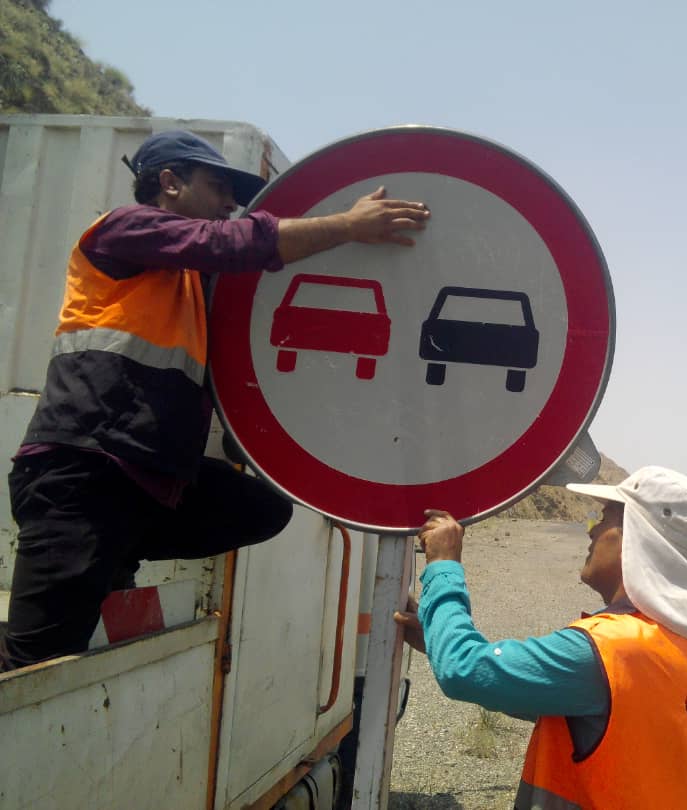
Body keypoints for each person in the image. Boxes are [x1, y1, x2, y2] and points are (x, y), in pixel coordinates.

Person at [1, 130, 430, 672]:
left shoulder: (187, 290)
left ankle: (118, 547)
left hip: (146, 482)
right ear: (168, 183)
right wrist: (347, 226)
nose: (230, 202)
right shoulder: (119, 230)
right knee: (35, 673)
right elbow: (231, 244)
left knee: (262, 508)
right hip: (83, 472)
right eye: (217, 186)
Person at [397, 466, 687, 809]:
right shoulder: (678, 641)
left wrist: (443, 565)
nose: (591, 531)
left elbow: (463, 671)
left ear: (636, 536)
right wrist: (439, 638)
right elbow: (600, 713)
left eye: (603, 518)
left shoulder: (611, 650)